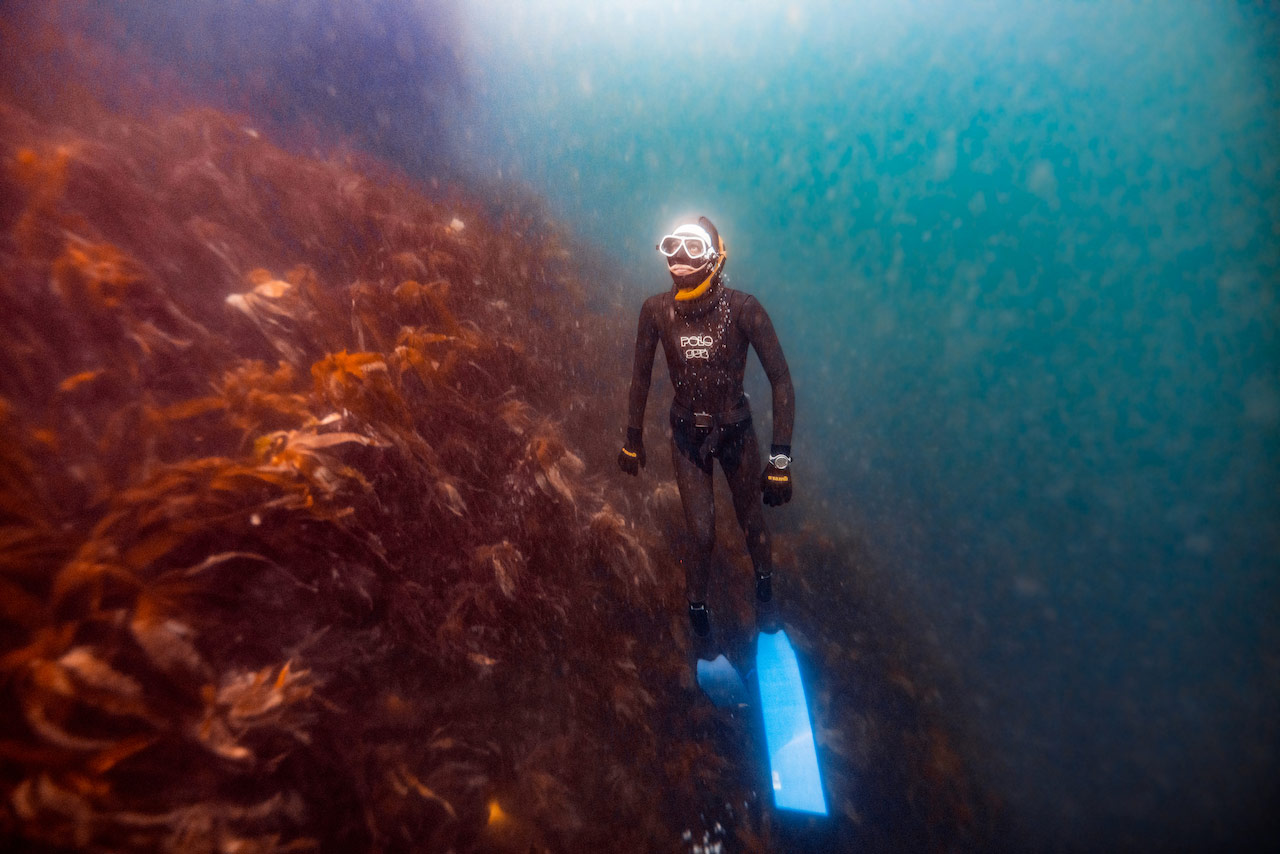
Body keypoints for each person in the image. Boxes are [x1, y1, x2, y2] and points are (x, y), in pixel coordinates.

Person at [617, 216, 794, 643]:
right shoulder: (656, 310)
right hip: (686, 435)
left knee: (751, 519)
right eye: (672, 245)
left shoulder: (744, 308)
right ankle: (698, 616)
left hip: (736, 432)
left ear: (716, 257)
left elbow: (781, 380)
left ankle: (765, 597)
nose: (679, 256)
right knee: (701, 532)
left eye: (693, 248)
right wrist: (632, 438)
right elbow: (640, 377)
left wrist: (780, 459)